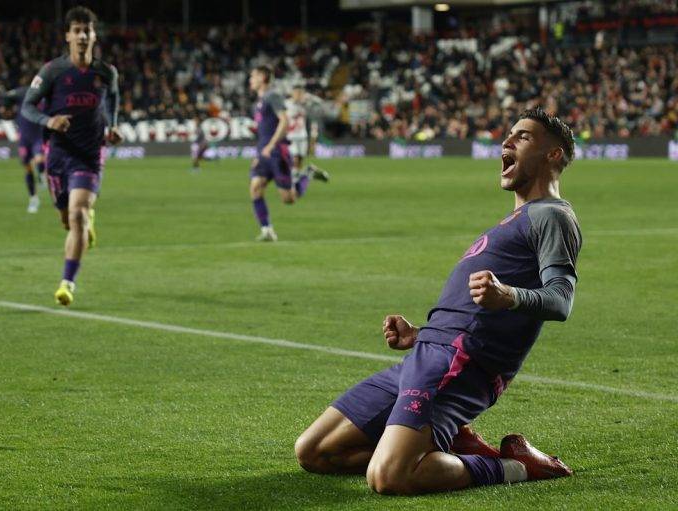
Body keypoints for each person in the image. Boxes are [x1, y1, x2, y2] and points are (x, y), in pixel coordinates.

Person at [295, 107, 582, 495]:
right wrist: (420, 334)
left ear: (554, 155)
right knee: (314, 452)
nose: (507, 141)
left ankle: (514, 466)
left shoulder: (553, 216)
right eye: (509, 135)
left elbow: (561, 299)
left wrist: (508, 295)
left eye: (524, 136)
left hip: (459, 365)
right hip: (428, 353)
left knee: (389, 477)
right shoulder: (514, 220)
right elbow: (471, 311)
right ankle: (443, 445)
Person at [22, 5, 121, 306]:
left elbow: (113, 99)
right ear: (68, 35)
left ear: (93, 35)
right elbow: (28, 107)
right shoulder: (52, 71)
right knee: (68, 220)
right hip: (58, 154)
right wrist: (48, 121)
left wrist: (113, 126)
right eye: (76, 30)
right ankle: (84, 220)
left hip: (90, 154)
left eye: (87, 30)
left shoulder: (106, 73)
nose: (82, 35)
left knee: (77, 215)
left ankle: (67, 283)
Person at [248, 66, 326, 242]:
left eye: (253, 76)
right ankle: (267, 230)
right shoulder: (258, 102)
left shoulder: (272, 96)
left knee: (288, 199)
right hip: (264, 152)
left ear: (262, 77)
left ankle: (307, 174)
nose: (250, 80)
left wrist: (271, 146)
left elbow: (284, 121)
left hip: (277, 152)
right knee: (255, 188)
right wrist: (259, 152)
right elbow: (263, 131)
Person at [0, 84, 46, 212]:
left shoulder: (44, 97)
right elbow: (5, 100)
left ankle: (41, 175)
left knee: (39, 161)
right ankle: (33, 199)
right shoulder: (21, 94)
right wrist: (2, 107)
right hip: (24, 138)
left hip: (38, 136)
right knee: (27, 168)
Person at [286, 84, 329, 186]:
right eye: (296, 93)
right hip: (291, 136)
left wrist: (310, 97)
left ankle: (304, 175)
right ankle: (295, 181)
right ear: (292, 93)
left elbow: (320, 102)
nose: (298, 95)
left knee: (300, 160)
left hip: (302, 136)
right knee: (295, 159)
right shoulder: (287, 104)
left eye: (300, 93)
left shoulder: (305, 104)